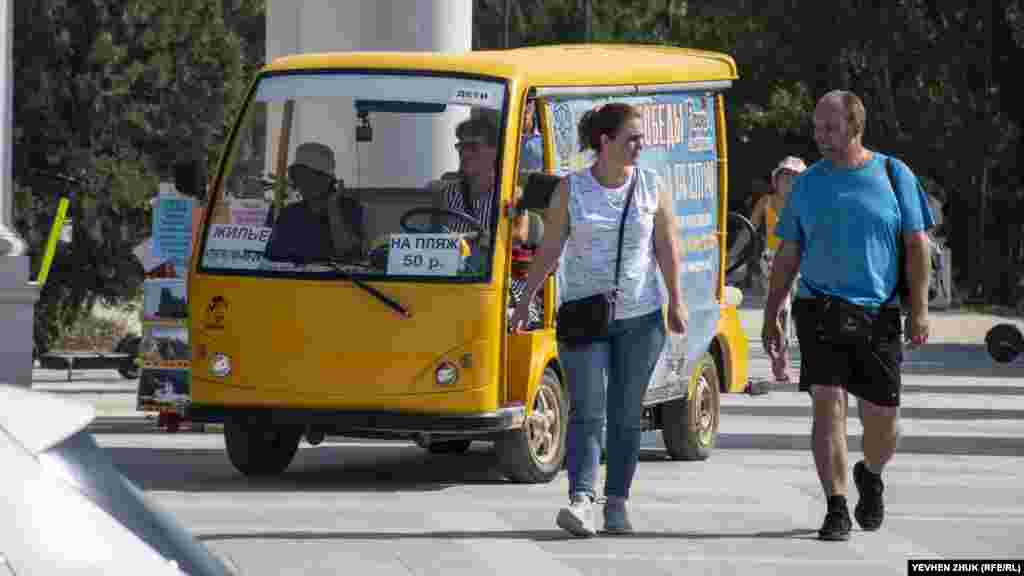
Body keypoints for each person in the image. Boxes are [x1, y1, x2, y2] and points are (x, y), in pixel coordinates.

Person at [510, 103, 688, 537]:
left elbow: (666, 247)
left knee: (626, 413)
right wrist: (525, 298)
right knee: (588, 410)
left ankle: (617, 503)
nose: (639, 145)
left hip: (640, 317)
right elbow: (550, 248)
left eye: (641, 138)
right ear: (604, 143)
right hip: (584, 316)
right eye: (631, 138)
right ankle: (583, 500)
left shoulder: (651, 187)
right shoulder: (572, 190)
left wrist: (676, 301)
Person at [762, 90, 933, 542]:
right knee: (827, 405)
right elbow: (788, 252)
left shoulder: (894, 176)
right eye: (817, 127)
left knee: (883, 419)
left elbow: (917, 247)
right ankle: (836, 505)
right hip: (818, 308)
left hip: (878, 313)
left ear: (856, 128)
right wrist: (772, 310)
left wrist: (919, 309)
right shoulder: (809, 184)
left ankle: (870, 474)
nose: (820, 136)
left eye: (830, 128)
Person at [751, 155, 807, 382]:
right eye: (785, 176)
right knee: (780, 311)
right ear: (777, 180)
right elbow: (749, 230)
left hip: (802, 262)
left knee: (798, 314)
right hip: (772, 262)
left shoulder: (806, 204)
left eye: (795, 177)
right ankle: (779, 359)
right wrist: (732, 257)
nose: (789, 181)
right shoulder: (765, 202)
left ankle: (787, 358)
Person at [265, 142, 365, 263]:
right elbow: (272, 255)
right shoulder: (290, 213)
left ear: (328, 180)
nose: (305, 182)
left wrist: (333, 208)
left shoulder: (351, 209)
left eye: (312, 176)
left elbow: (348, 252)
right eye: (300, 176)